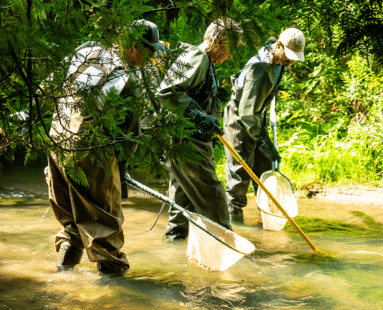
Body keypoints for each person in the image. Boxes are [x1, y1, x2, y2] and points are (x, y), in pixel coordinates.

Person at [47, 19, 165, 275]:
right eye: (149, 50)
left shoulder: (85, 51)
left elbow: (51, 89)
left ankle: (62, 280)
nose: (150, 56)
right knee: (106, 228)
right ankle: (114, 293)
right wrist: (120, 173)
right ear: (133, 45)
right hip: (89, 151)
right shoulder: (128, 79)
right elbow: (129, 136)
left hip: (57, 141)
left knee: (71, 222)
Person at [156, 18, 242, 240]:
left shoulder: (206, 61)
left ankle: (174, 245)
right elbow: (167, 93)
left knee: (182, 201)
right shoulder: (198, 57)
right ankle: (226, 246)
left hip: (191, 140)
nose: (231, 55)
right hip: (187, 141)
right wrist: (199, 117)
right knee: (213, 196)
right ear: (219, 41)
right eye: (231, 48)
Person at [223, 28, 305, 222]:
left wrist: (265, 145)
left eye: (295, 57)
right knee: (240, 174)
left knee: (265, 169)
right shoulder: (260, 68)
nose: (291, 61)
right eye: (288, 55)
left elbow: (255, 110)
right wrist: (266, 142)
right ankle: (234, 223)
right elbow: (246, 113)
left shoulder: (276, 54)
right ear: (278, 46)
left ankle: (267, 219)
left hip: (255, 117)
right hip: (240, 120)